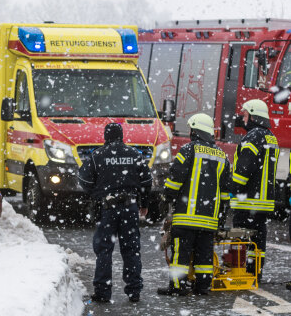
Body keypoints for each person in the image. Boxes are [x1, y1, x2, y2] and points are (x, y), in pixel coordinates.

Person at [157, 114, 231, 296]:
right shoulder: (222, 156)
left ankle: (177, 287)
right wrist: (221, 216)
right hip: (209, 221)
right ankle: (203, 287)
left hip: (186, 218)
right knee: (204, 256)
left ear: (195, 130)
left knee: (180, 255)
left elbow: (175, 179)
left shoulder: (188, 150)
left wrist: (166, 197)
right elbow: (225, 192)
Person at [78, 122, 152, 303]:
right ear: (122, 136)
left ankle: (103, 292)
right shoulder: (135, 155)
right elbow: (147, 180)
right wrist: (144, 203)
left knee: (104, 250)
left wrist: (97, 194)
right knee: (131, 249)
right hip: (130, 207)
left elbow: (83, 179)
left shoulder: (98, 156)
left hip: (108, 209)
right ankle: (134, 290)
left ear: (106, 137)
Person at [230, 99, 279, 280]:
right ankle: (255, 272)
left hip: (247, 199)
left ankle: (237, 271)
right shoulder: (270, 136)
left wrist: (231, 188)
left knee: (239, 236)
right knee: (258, 239)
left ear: (253, 116)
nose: (243, 118)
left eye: (245, 114)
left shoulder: (252, 137)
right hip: (263, 201)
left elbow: (243, 171)